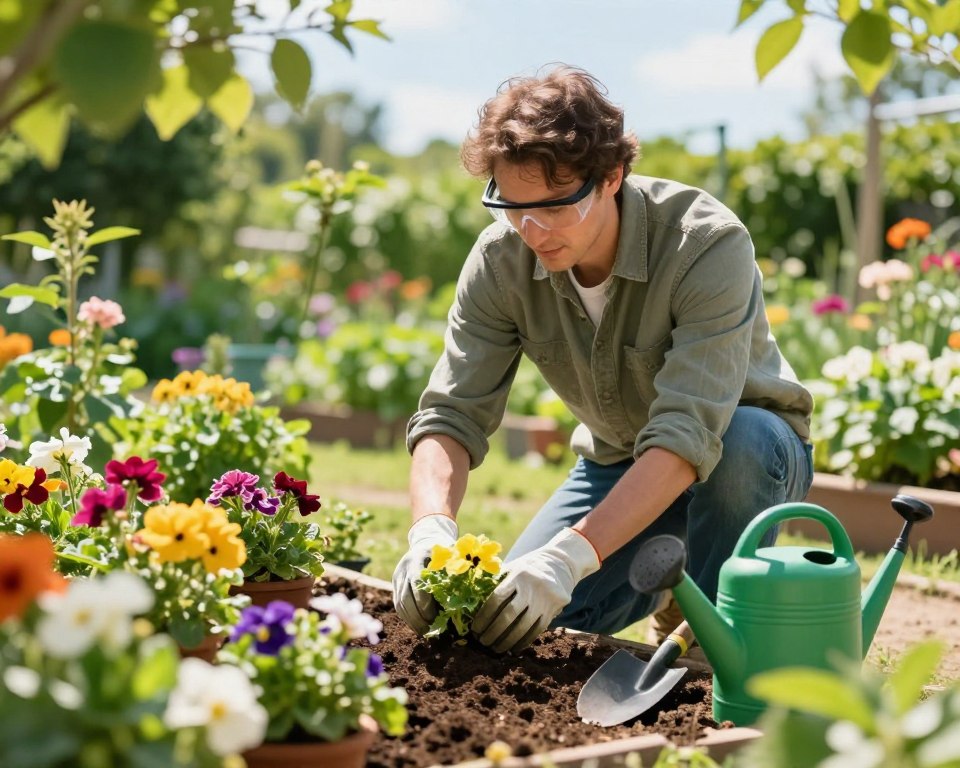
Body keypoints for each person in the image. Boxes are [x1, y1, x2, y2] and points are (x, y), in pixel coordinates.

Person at [392, 64, 814, 654]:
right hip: (618, 463)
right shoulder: (500, 260)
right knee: (505, 625)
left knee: (742, 442)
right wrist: (429, 528)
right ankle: (668, 586)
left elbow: (688, 433)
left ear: (611, 177)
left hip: (744, 457)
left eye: (556, 208)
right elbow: (450, 415)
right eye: (512, 208)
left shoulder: (706, 243)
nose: (533, 232)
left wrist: (569, 558)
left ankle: (716, 623)